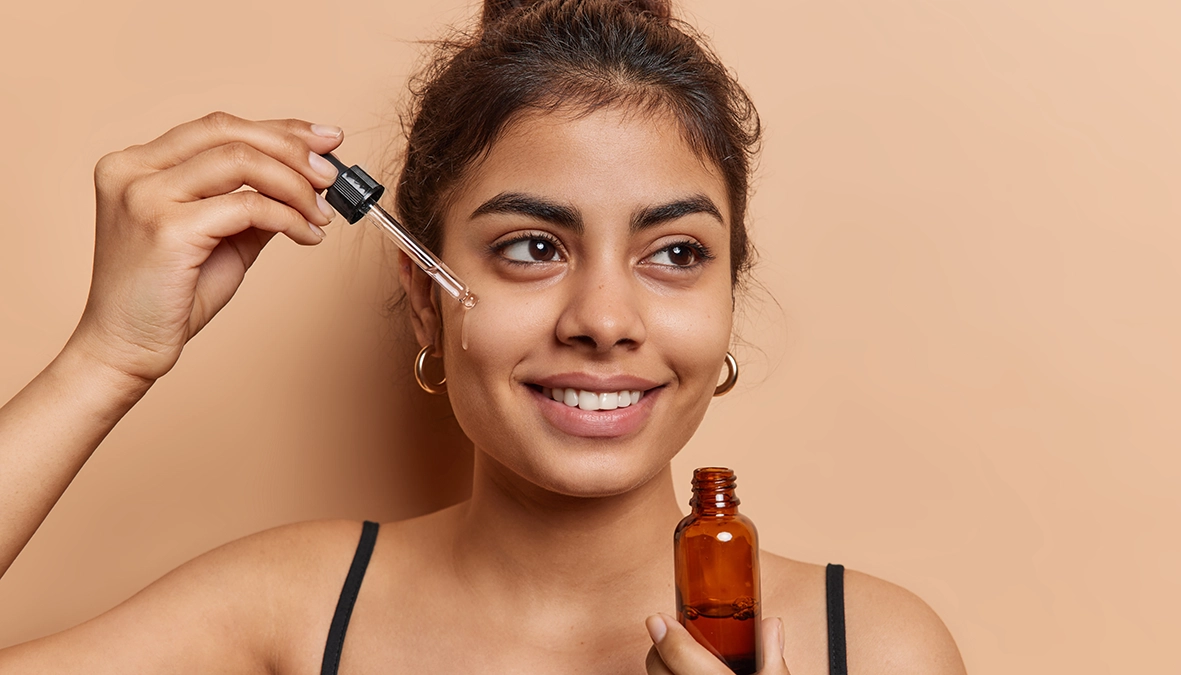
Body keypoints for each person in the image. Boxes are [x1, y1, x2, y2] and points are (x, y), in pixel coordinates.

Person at [0, 0, 967, 673]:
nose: (604, 319)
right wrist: (106, 358)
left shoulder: (871, 648)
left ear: (726, 298)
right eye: (534, 246)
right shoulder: (287, 610)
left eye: (674, 253)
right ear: (426, 298)